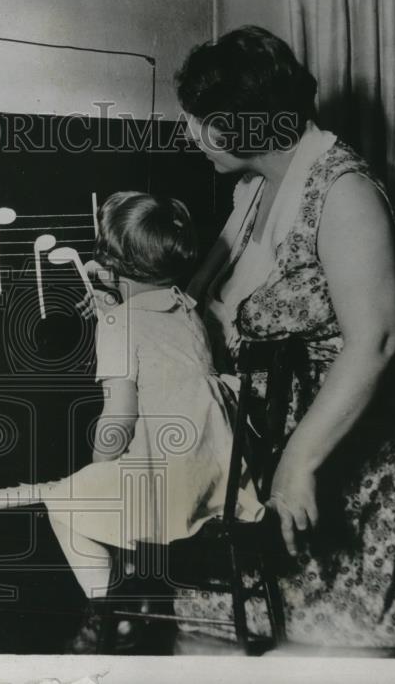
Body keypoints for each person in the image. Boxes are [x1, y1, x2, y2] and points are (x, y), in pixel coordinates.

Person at [168, 26, 395, 656]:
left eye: (198, 122)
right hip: (259, 451)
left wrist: (299, 462)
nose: (189, 136)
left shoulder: (345, 192)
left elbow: (377, 340)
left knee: (319, 650)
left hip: (340, 460)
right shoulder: (254, 191)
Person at [43, 190, 265, 654]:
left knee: (63, 501)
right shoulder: (187, 308)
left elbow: (118, 419)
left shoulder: (117, 325)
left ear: (108, 260)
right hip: (219, 478)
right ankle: (133, 606)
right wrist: (113, 300)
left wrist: (100, 460)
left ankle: (106, 612)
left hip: (166, 489)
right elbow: (151, 332)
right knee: (114, 493)